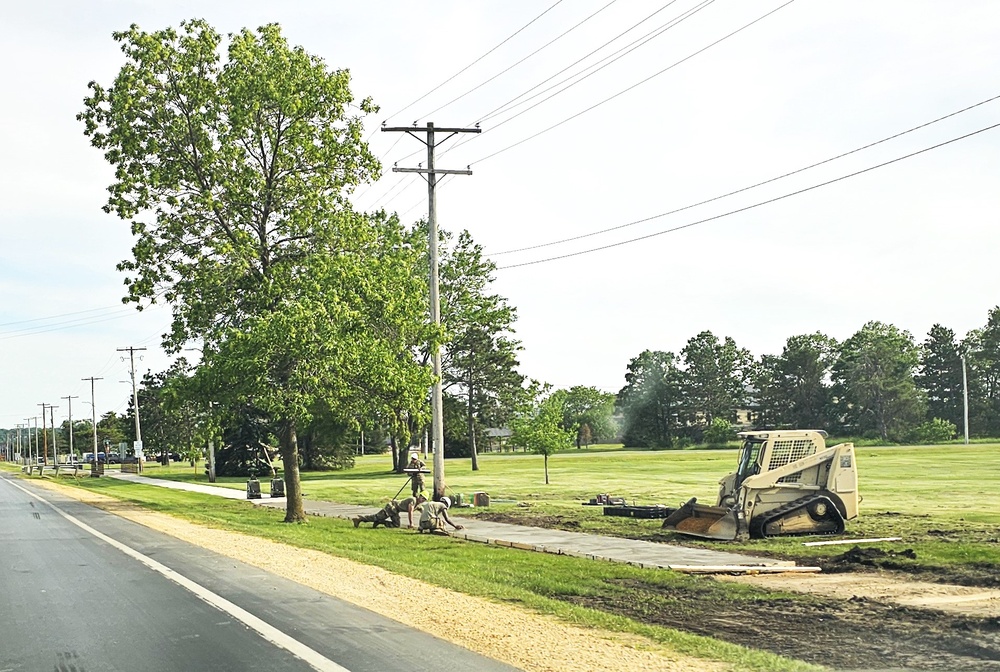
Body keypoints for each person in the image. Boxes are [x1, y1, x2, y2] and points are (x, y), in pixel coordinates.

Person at [353, 493, 426, 529]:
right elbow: (410, 512)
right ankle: (360, 518)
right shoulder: (412, 500)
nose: (422, 500)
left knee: (396, 525)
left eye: (424, 499)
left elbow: (424, 513)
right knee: (376, 517)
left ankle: (380, 521)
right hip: (392, 507)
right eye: (422, 498)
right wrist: (411, 524)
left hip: (396, 511)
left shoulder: (419, 505)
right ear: (419, 496)